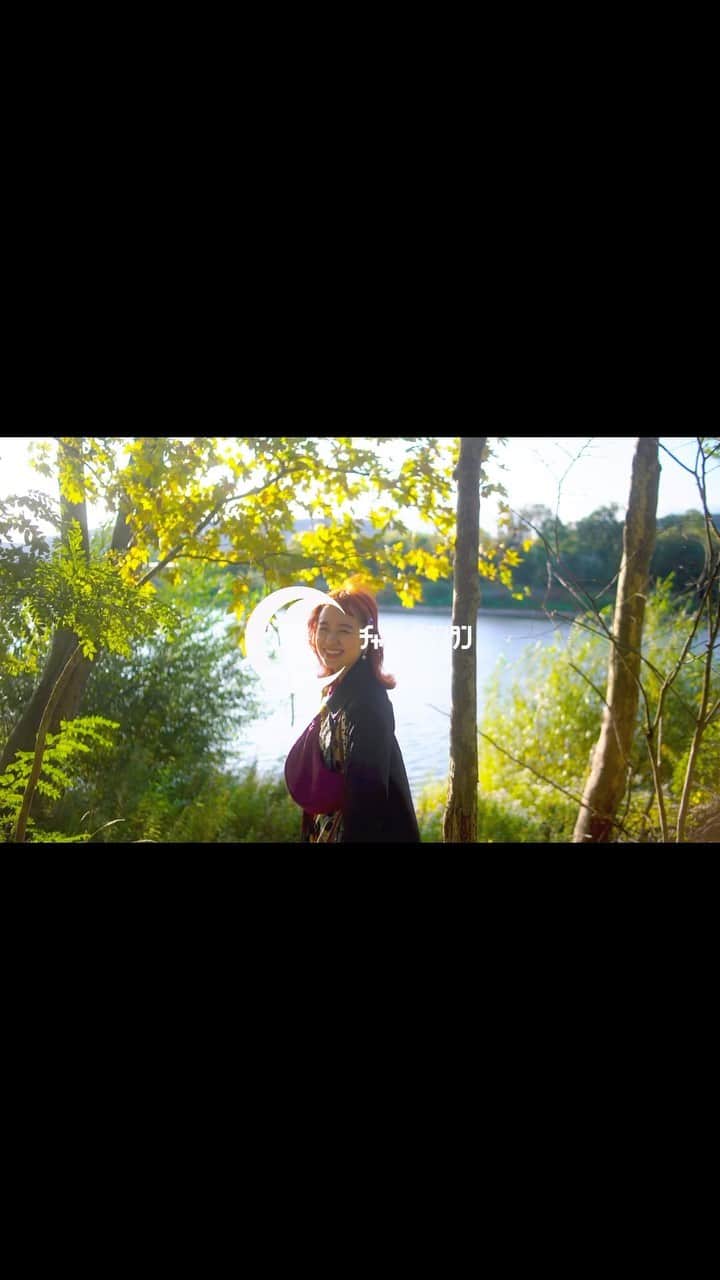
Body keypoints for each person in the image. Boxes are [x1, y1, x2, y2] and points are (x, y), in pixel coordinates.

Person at [285, 588, 420, 843]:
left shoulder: (368, 704)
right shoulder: (336, 690)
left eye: (344, 630)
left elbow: (368, 806)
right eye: (324, 628)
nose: (330, 640)